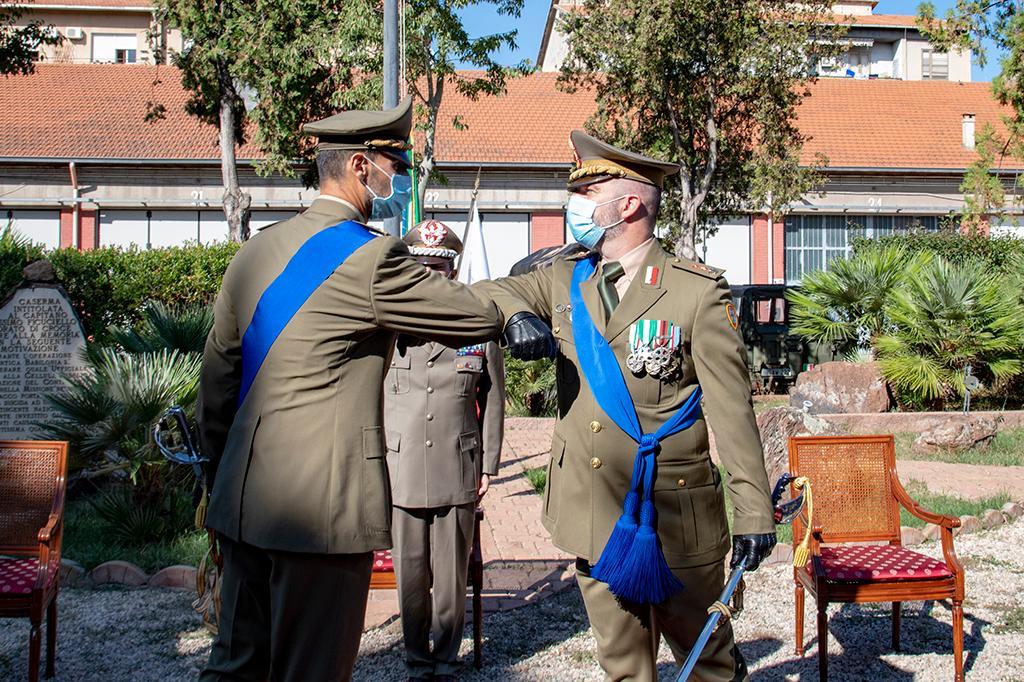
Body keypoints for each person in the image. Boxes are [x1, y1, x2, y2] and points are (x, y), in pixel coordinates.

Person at [196, 97, 552, 682]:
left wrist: (222, 479)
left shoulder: (253, 253)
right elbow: (465, 311)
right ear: (362, 166)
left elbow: (217, 388)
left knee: (236, 665)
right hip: (323, 512)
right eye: (395, 164)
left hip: (244, 501)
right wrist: (528, 290)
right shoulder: (369, 257)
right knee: (311, 668)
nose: (400, 178)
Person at [473, 130, 777, 681]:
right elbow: (489, 290)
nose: (576, 207)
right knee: (622, 666)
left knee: (707, 660)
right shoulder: (566, 278)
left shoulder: (695, 291)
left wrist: (755, 512)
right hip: (594, 509)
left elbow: (733, 413)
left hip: (675, 515)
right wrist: (514, 314)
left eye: (588, 194)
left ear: (629, 204)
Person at [383, 220, 505, 682]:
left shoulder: (477, 324)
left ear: (453, 272)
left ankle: (445, 658)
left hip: (458, 462)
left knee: (452, 575)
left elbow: (493, 396)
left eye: (439, 268)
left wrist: (489, 462)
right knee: (411, 572)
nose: (431, 275)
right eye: (423, 267)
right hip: (403, 464)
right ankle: (416, 658)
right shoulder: (390, 325)